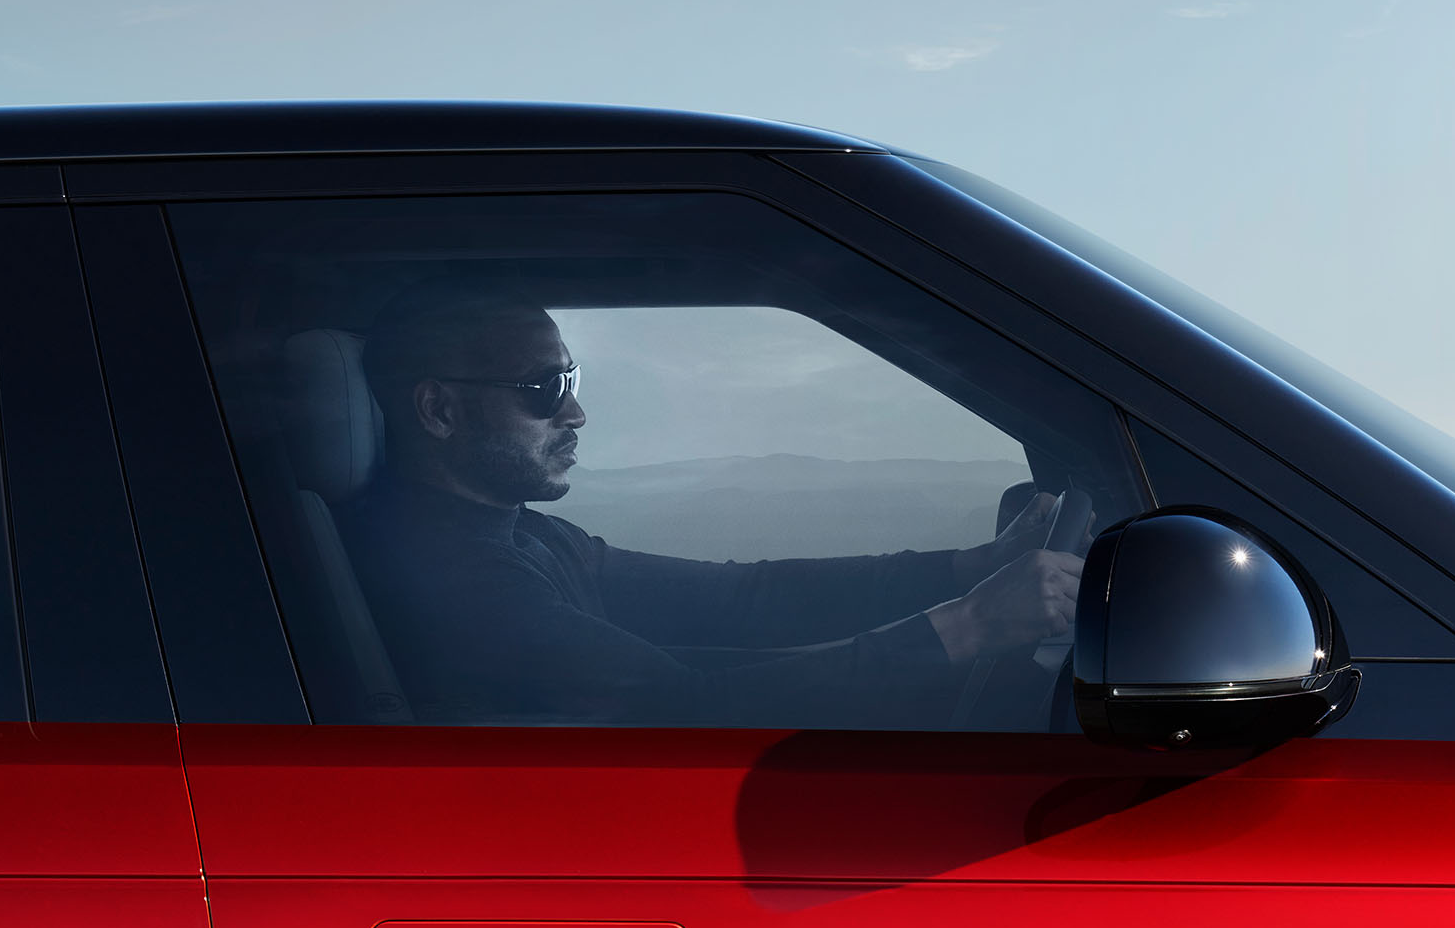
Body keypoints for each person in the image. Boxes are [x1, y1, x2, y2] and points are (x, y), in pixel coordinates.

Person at [338, 294, 1082, 726]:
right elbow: (687, 707)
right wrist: (971, 623)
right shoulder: (453, 580)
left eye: (571, 377)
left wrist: (965, 569)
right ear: (438, 409)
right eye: (541, 389)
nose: (577, 412)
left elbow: (741, 596)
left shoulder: (520, 536)